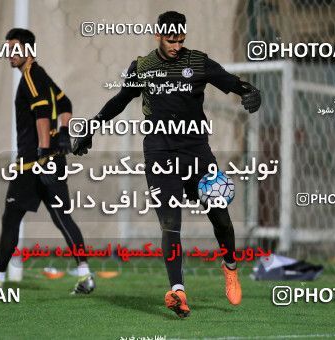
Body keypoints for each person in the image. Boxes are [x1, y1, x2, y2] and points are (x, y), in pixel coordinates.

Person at [72, 12, 260, 317]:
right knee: (170, 223)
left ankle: (230, 267)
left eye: (181, 40)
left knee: (221, 218)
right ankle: (178, 292)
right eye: (171, 40)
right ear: (159, 35)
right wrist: (92, 126)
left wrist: (250, 91)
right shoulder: (143, 67)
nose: (176, 45)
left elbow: (229, 81)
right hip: (159, 152)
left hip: (196, 153)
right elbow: (121, 99)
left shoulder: (197, 62)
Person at [0, 28, 95, 295]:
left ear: (28, 50)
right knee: (62, 218)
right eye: (7, 49)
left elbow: (43, 115)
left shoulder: (32, 76)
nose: (9, 54)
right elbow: (65, 103)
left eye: (14, 48)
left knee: (11, 217)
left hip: (35, 162)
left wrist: (44, 153)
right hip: (50, 160)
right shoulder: (40, 74)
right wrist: (64, 134)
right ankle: (85, 277)